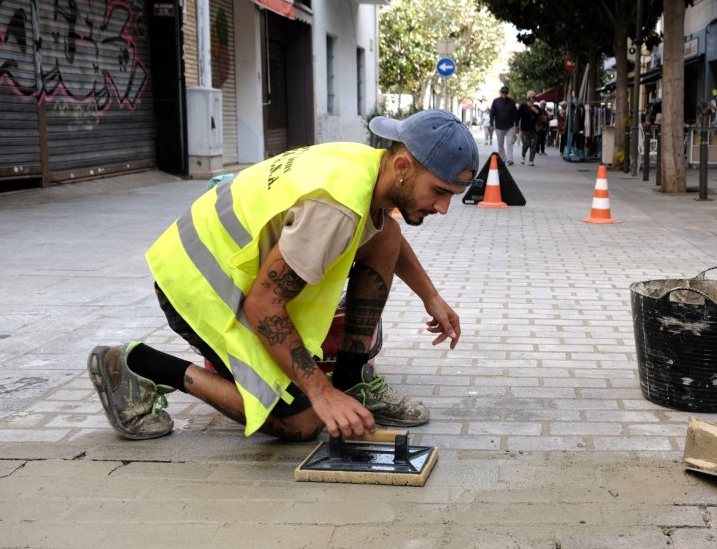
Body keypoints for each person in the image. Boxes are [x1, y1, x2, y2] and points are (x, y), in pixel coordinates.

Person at [87, 110, 479, 442]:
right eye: (439, 192)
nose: (443, 208)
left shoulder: (368, 170)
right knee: (301, 421)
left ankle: (352, 378)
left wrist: (431, 296)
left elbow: (385, 236)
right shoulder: (336, 207)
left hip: (234, 273)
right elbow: (262, 305)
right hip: (197, 285)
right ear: (403, 167)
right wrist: (319, 392)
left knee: (386, 232)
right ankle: (135, 363)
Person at [490, 86, 519, 165]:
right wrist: (491, 124)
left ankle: (510, 159)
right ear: (500, 92)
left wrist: (517, 125)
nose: (504, 94)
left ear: (507, 93)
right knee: (500, 144)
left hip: (510, 126)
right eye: (503, 92)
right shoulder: (495, 101)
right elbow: (492, 113)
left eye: (506, 92)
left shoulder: (512, 102)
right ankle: (502, 159)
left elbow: (515, 114)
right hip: (499, 126)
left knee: (509, 143)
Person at [517, 91, 540, 166]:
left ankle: (531, 161)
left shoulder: (536, 107)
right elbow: (518, 116)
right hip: (525, 129)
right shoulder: (523, 106)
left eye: (535, 97)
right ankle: (523, 156)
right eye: (533, 97)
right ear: (528, 98)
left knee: (533, 146)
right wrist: (517, 126)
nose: (534, 99)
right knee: (526, 144)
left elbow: (539, 113)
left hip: (534, 129)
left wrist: (532, 107)